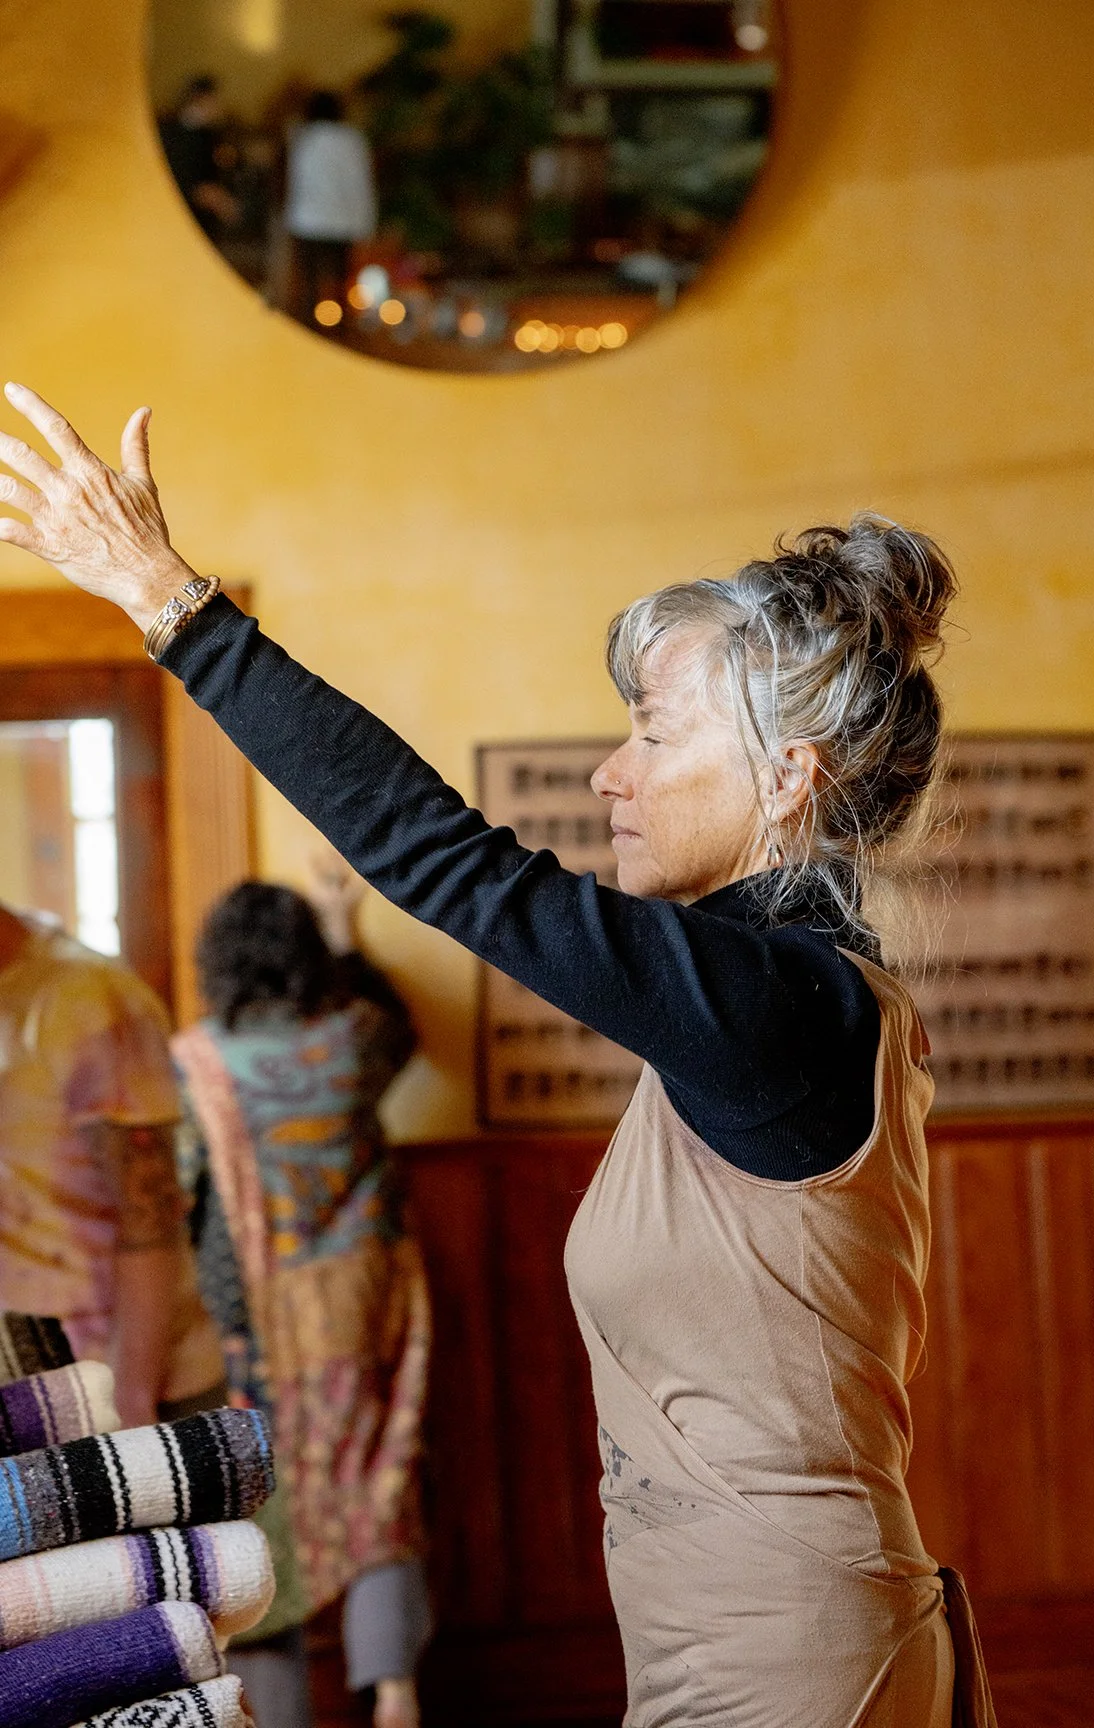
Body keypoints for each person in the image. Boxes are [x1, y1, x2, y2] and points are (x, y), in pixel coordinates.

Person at [0, 383, 998, 1726]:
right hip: (754, 1629)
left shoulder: (784, 1008)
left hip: (791, 1650)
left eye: (652, 730)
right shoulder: (771, 1004)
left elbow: (454, 868)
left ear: (788, 777)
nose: (611, 773)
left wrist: (170, 602)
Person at [174, 865, 430, 1728]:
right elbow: (401, 1028)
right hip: (363, 1306)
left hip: (252, 1319)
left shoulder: (198, 1063)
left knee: (258, 1514)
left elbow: (184, 1195)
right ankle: (394, 1688)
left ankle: (276, 1712)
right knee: (378, 1480)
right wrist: (344, 925)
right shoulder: (354, 1037)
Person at [0, 900, 224, 1426]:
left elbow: (149, 1213)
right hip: (31, 1377)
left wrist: (130, 1398)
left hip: (120, 1383)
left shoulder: (87, 998)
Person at [282, 91, 377, 321]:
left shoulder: (304, 138)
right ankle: (342, 328)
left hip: (308, 220)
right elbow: (360, 184)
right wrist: (366, 221)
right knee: (341, 279)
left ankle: (308, 328)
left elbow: (296, 181)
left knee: (309, 282)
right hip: (342, 221)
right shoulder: (352, 140)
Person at [158, 75, 240, 241]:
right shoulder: (172, 133)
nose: (218, 105)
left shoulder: (208, 133)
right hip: (180, 218)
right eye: (214, 100)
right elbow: (179, 177)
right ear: (201, 99)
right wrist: (214, 198)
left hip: (201, 220)